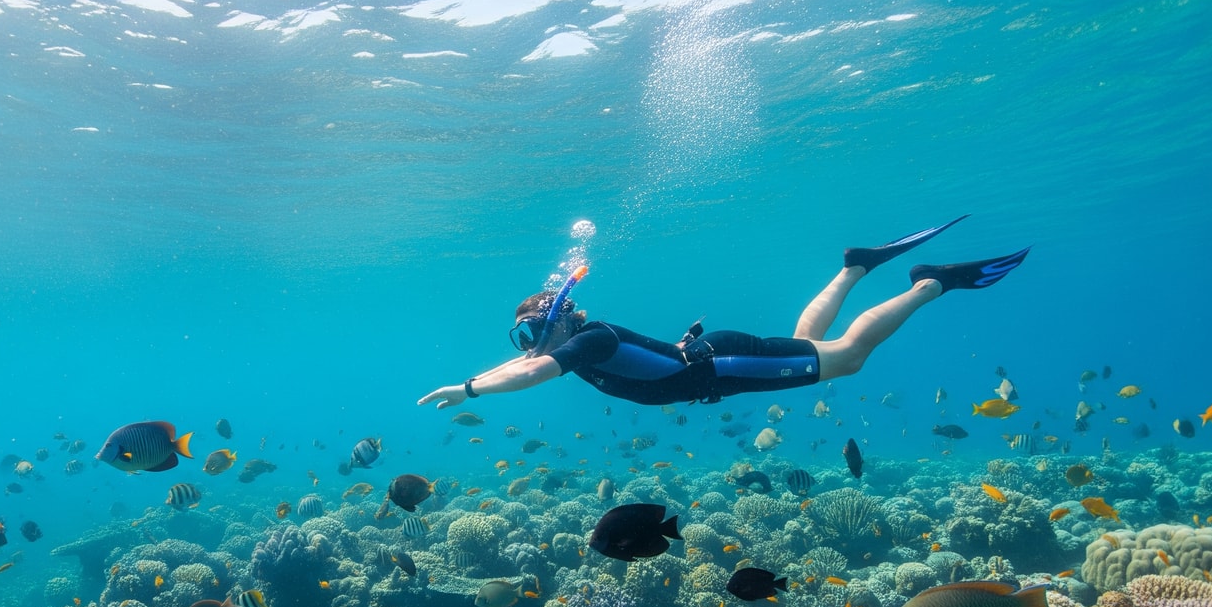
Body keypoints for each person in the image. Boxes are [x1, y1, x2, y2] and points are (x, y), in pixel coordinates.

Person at [418, 216, 1028, 408]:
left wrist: (468, 389)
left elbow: (525, 373)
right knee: (804, 341)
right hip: (721, 361)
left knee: (846, 360)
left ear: (559, 318)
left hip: (724, 364)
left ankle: (930, 285)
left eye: (532, 330)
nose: (527, 343)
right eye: (520, 334)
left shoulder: (585, 344)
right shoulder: (574, 344)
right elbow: (523, 365)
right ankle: (856, 265)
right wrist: (485, 376)